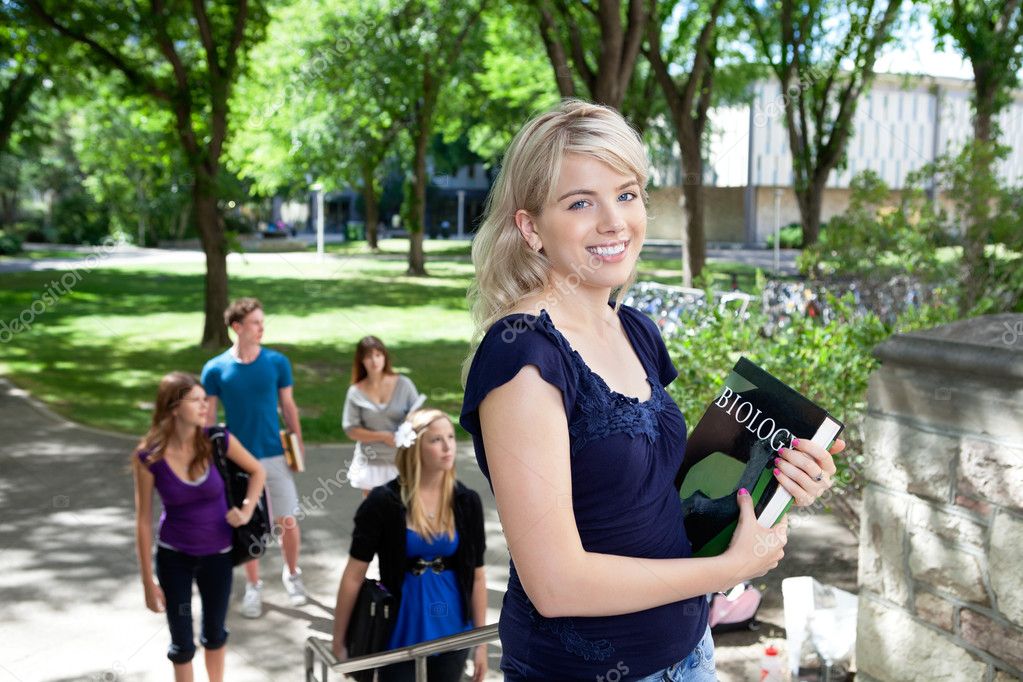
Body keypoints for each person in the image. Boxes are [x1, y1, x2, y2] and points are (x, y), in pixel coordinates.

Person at [458, 99, 846, 680]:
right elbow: (555, 585)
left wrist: (780, 479)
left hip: (690, 652)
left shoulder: (634, 327)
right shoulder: (523, 358)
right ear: (530, 227)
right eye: (580, 202)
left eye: (627, 193)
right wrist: (726, 572)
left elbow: (656, 493)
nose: (614, 221)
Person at [331, 409, 488, 682]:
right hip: (400, 629)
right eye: (436, 439)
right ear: (414, 447)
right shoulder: (382, 503)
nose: (448, 445)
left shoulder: (466, 501)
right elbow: (353, 576)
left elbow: (477, 575)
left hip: (452, 627)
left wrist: (481, 644)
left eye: (450, 437)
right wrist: (340, 642)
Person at [133, 372, 266, 682]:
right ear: (174, 407)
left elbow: (257, 471)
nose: (205, 406)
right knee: (181, 644)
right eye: (196, 400)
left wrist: (246, 510)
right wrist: (146, 581)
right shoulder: (149, 457)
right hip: (173, 557)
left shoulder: (217, 440)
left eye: (206, 399)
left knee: (215, 634)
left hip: (218, 556)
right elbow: (142, 521)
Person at [201, 297, 308, 617]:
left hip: (275, 454)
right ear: (237, 327)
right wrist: (206, 457)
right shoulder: (215, 369)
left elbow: (288, 406)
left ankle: (292, 574)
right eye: (255, 323)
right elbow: (208, 418)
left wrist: (297, 443)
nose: (262, 328)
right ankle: (254, 585)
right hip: (237, 460)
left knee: (287, 519)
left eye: (262, 322)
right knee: (246, 525)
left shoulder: (277, 363)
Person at [342, 335, 422, 498]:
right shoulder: (355, 392)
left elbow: (419, 416)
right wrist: (383, 436)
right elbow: (351, 429)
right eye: (369, 356)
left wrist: (408, 427)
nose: (374, 360)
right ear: (361, 361)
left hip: (401, 461)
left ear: (385, 357)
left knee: (404, 513)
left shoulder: (404, 384)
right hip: (371, 462)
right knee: (373, 515)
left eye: (378, 355)